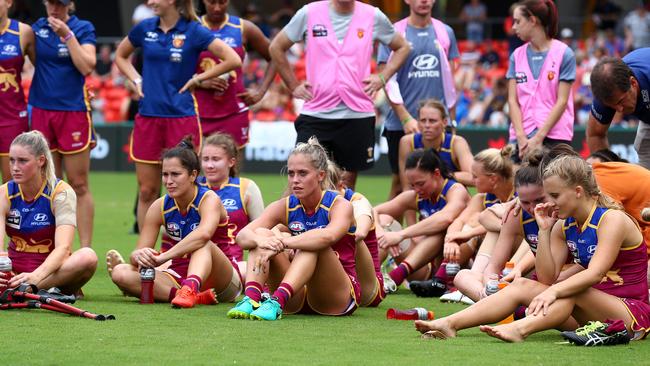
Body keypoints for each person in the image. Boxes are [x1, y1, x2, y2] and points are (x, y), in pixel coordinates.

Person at [415, 155, 650, 343]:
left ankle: (520, 329)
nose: (550, 202)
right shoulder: (564, 224)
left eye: (555, 195)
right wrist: (545, 231)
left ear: (578, 191)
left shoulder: (611, 219)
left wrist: (554, 291)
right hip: (589, 315)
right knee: (523, 285)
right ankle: (450, 324)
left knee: (569, 290)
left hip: (630, 314)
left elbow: (595, 274)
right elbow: (547, 278)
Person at [114, 0, 241, 233]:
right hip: (148, 116)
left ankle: (187, 247)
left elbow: (233, 59)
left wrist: (199, 78)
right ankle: (145, 256)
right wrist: (136, 79)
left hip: (182, 118)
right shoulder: (144, 28)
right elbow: (120, 56)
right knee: (146, 191)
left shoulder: (194, 30)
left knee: (186, 188)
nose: (150, 2)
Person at [269, 0, 410, 190]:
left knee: (346, 181)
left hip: (357, 112)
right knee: (300, 178)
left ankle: (341, 220)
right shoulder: (310, 13)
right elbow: (276, 46)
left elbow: (403, 47)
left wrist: (382, 77)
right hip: (316, 112)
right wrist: (293, 85)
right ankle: (295, 221)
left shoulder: (372, 15)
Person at [226, 137, 359, 320]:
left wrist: (283, 242)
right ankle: (252, 299)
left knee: (312, 242)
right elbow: (243, 236)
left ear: (320, 175)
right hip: (297, 293)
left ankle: (277, 301)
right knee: (262, 234)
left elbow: (328, 236)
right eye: (291, 173)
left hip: (336, 296)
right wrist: (262, 241)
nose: (295, 180)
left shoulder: (340, 205)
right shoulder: (285, 205)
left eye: (303, 173)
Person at [110, 139, 242, 308]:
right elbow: (136, 253)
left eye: (175, 174)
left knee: (203, 244)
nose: (168, 181)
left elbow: (203, 235)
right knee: (120, 273)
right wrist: (141, 255)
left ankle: (190, 289)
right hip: (177, 274)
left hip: (222, 280)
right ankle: (191, 296)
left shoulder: (208, 199)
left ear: (193, 175)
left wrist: (163, 257)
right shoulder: (159, 206)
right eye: (165, 175)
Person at [29, 0, 97, 248]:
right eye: (51, 3)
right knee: (49, 183)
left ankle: (85, 249)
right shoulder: (36, 28)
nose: (54, 9)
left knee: (78, 183)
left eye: (60, 4)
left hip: (73, 111)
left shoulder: (82, 28)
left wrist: (66, 35)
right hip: (42, 110)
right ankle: (54, 247)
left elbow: (87, 65)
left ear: (70, 5)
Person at [377, 0, 459, 199]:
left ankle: (442, 229)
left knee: (444, 181)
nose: (424, 1)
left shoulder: (445, 32)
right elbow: (384, 77)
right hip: (400, 123)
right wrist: (405, 118)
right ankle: (389, 229)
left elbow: (450, 82)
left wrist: (452, 120)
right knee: (401, 183)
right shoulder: (393, 31)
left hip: (437, 123)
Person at [409, 146, 515, 299]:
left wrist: (466, 234)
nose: (472, 181)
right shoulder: (482, 198)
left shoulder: (519, 197)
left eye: (476, 176)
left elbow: (509, 227)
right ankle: (449, 282)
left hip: (517, 259)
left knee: (487, 225)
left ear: (492, 178)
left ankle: (449, 280)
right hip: (493, 258)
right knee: (470, 223)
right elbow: (459, 221)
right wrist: (452, 239)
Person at [0, 131, 97, 295]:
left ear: (41, 160)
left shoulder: (61, 193)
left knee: (88, 257)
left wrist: (35, 278)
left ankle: (26, 290)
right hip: (14, 272)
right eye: (12, 160)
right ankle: (27, 289)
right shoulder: (4, 193)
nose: (15, 167)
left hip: (52, 272)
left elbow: (64, 249)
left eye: (23, 161)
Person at [376, 149, 469, 292]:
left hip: (452, 265)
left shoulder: (455, 190)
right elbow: (372, 211)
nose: (417, 189)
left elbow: (445, 218)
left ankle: (396, 276)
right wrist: (382, 232)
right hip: (423, 268)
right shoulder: (415, 196)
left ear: (436, 174)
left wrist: (401, 235)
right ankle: (371, 278)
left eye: (421, 183)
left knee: (443, 228)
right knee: (384, 220)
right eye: (412, 185)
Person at [195, 0, 276, 147]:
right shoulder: (191, 27)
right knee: (193, 167)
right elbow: (172, 68)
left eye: (222, 2)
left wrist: (261, 91)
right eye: (212, 3)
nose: (217, 8)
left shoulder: (243, 27)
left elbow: (275, 57)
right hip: (196, 111)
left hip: (234, 111)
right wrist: (198, 81)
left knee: (231, 168)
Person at [506, 0, 576, 161]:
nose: (513, 27)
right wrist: (521, 137)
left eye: (517, 21)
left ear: (532, 20)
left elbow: (562, 101)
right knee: (518, 185)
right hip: (521, 137)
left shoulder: (564, 54)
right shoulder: (516, 55)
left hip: (556, 136)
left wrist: (538, 138)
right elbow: (512, 100)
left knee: (554, 185)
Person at [197, 132, 264, 275]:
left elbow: (262, 231)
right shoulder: (193, 187)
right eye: (205, 159)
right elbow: (169, 231)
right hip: (194, 261)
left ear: (231, 162)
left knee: (258, 269)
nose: (209, 165)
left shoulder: (246, 188)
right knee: (145, 274)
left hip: (233, 266)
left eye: (216, 159)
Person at [327, 161, 385, 307]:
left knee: (349, 235)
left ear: (340, 185)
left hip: (368, 287)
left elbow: (360, 233)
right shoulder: (305, 202)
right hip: (331, 275)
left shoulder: (357, 201)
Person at [586, 50, 650, 169]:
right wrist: (609, 174)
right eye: (612, 106)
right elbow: (595, 135)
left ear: (633, 83)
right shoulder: (604, 92)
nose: (619, 110)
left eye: (621, 101)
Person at [398, 100, 473, 189]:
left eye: (432, 121)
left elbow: (472, 177)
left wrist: (440, 175)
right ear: (418, 122)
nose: (427, 125)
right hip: (421, 199)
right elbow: (407, 187)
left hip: (453, 196)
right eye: (423, 120)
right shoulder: (407, 142)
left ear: (444, 122)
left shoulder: (457, 142)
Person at [0, 0, 34, 183]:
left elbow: (45, 71)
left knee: (11, 184)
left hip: (11, 118)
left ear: (8, 2)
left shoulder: (23, 32)